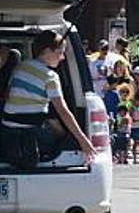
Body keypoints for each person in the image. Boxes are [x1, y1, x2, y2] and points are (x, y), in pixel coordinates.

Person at [1, 31, 97, 163]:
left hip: (8, 136)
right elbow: (63, 112)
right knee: (58, 128)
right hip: (33, 139)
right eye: (60, 52)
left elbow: (8, 95)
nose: (62, 57)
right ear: (47, 51)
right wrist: (83, 141)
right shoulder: (50, 77)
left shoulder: (20, 67)